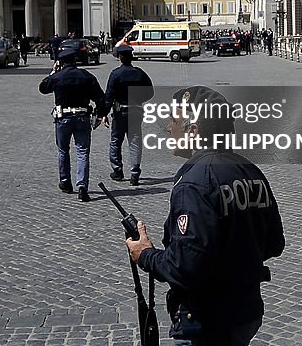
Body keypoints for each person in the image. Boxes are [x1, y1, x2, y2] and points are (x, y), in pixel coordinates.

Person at [125, 85, 286, 345]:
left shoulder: (193, 184)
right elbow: (274, 243)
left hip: (205, 319)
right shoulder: (251, 171)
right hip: (246, 311)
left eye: (174, 121)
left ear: (193, 131)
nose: (168, 127)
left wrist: (146, 256)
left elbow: (185, 267)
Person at [39, 47, 108, 202]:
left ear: (61, 62)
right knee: (82, 152)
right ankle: (82, 186)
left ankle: (65, 182)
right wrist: (100, 114)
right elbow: (101, 98)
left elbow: (43, 88)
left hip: (63, 118)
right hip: (83, 117)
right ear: (75, 60)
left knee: (63, 150)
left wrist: (52, 72)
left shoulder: (57, 77)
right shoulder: (86, 76)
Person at [104, 45, 154, 186]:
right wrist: (138, 100)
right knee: (135, 142)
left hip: (120, 111)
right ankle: (135, 173)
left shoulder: (116, 74)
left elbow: (109, 95)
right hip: (136, 110)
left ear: (120, 57)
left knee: (115, 141)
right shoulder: (140, 73)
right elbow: (150, 92)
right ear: (131, 57)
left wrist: (103, 113)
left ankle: (118, 170)